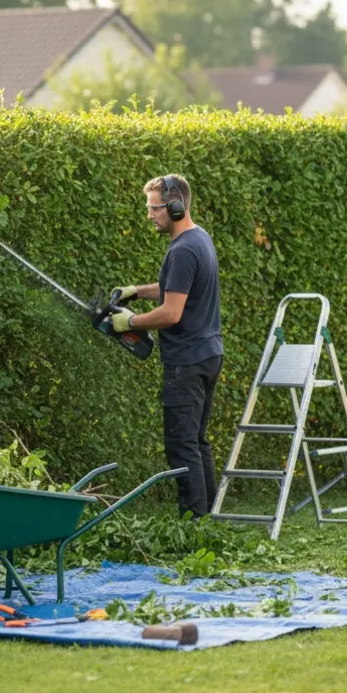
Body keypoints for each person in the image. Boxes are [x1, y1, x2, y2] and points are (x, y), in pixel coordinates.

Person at [109, 174, 224, 518]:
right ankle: (209, 521)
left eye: (154, 208)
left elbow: (171, 313)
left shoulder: (183, 250)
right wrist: (135, 292)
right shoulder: (199, 237)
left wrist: (129, 322)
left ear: (175, 207)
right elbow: (174, 287)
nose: (149, 215)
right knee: (197, 441)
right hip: (208, 353)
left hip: (186, 362)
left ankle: (193, 524)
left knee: (182, 446)